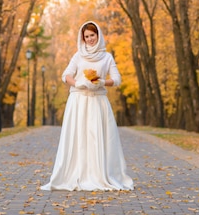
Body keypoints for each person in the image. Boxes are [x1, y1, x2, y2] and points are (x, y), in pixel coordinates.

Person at [41, 21, 134, 191]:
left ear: (98, 35)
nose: (90, 39)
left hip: (98, 102)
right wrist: (78, 83)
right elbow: (66, 76)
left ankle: (98, 174)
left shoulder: (107, 57)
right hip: (78, 101)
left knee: (96, 137)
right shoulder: (78, 56)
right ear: (83, 39)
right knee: (79, 137)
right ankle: (77, 173)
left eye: (92, 35)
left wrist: (102, 82)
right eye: (87, 37)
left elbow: (117, 79)